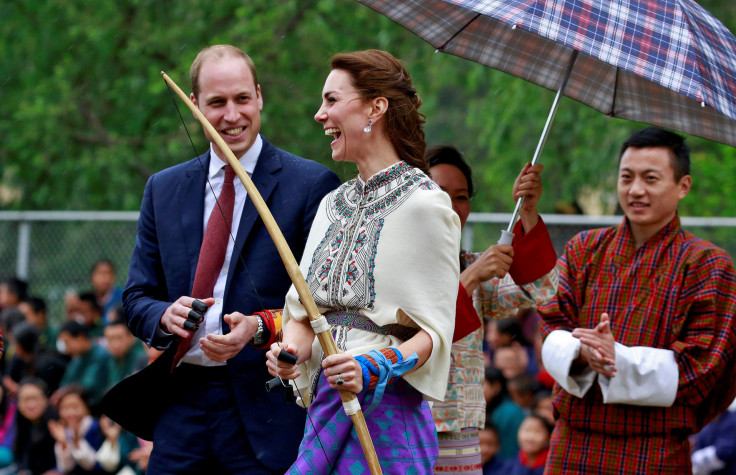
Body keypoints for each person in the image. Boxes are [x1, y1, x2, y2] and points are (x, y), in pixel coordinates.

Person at [119, 43, 341, 474]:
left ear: (259, 96)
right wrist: (165, 315)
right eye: (216, 103)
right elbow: (136, 297)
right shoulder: (162, 189)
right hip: (180, 402)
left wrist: (258, 327)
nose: (232, 115)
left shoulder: (311, 183)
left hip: (268, 403)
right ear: (194, 103)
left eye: (242, 99)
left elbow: (325, 304)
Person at [266, 49, 460, 473]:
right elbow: (303, 312)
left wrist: (373, 365)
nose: (320, 114)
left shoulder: (427, 205)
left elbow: (437, 333)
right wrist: (290, 353)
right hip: (322, 408)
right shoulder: (331, 204)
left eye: (332, 100)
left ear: (376, 107)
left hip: (386, 416)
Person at [538, 127, 736, 473]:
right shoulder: (584, 248)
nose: (636, 190)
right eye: (626, 177)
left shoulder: (708, 264)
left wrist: (618, 358)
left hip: (654, 446)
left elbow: (705, 366)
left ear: (683, 186)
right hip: (572, 440)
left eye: (651, 178)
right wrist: (582, 353)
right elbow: (551, 322)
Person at [426, 145, 558, 474]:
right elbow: (416, 333)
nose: (453, 207)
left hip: (462, 428)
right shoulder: (388, 266)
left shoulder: (472, 264)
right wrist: (469, 279)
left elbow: (543, 290)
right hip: (402, 426)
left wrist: (527, 210)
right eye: (438, 193)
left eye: (461, 197)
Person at [57, 321, 110, 409]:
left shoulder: (101, 354)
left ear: (80, 337)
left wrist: (68, 391)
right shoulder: (77, 359)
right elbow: (64, 384)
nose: (66, 348)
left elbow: (90, 385)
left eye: (67, 342)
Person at [14, 378, 56, 475]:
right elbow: (19, 454)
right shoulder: (22, 421)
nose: (30, 404)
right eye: (25, 399)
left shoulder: (56, 422)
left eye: (35, 398)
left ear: (46, 399)